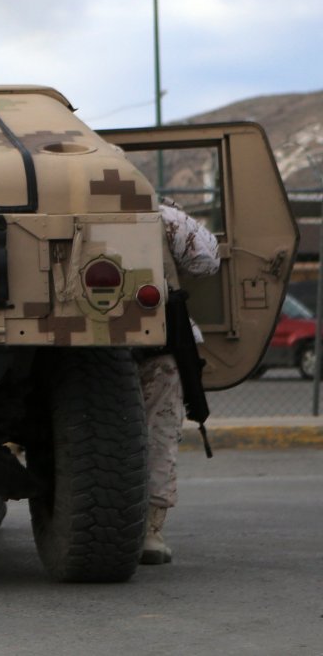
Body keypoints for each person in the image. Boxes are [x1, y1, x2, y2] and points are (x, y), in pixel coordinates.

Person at [138, 199, 220, 565]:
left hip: (67, 350)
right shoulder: (158, 214)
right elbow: (205, 260)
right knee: (158, 431)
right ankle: (148, 532)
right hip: (155, 341)